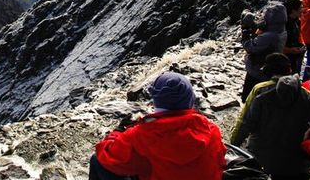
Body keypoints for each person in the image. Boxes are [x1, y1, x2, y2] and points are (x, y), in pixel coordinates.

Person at [89, 72, 226, 180]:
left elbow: (107, 156)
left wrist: (116, 133)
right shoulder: (211, 129)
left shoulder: (140, 135)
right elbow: (220, 162)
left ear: (156, 100)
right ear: (190, 98)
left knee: (96, 160)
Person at [233, 74, 310, 179]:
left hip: (261, 157)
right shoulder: (309, 100)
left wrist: (234, 145)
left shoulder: (261, 96)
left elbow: (247, 124)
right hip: (294, 163)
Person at [230, 53, 292, 145]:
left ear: (267, 71)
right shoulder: (304, 93)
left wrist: (234, 144)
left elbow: (246, 121)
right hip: (292, 148)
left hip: (260, 148)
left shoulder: (259, 89)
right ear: (289, 70)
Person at [241, 4, 288, 102]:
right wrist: (255, 27)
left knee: (249, 99)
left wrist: (245, 30)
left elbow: (249, 47)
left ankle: (249, 114)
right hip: (268, 70)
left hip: (257, 71)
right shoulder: (282, 30)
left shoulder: (269, 36)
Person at [283, 0, 305, 75]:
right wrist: (291, 50)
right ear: (293, 11)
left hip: (294, 57)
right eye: (301, 7)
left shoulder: (296, 21)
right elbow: (276, 43)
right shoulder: (284, 24)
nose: (303, 9)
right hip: (284, 59)